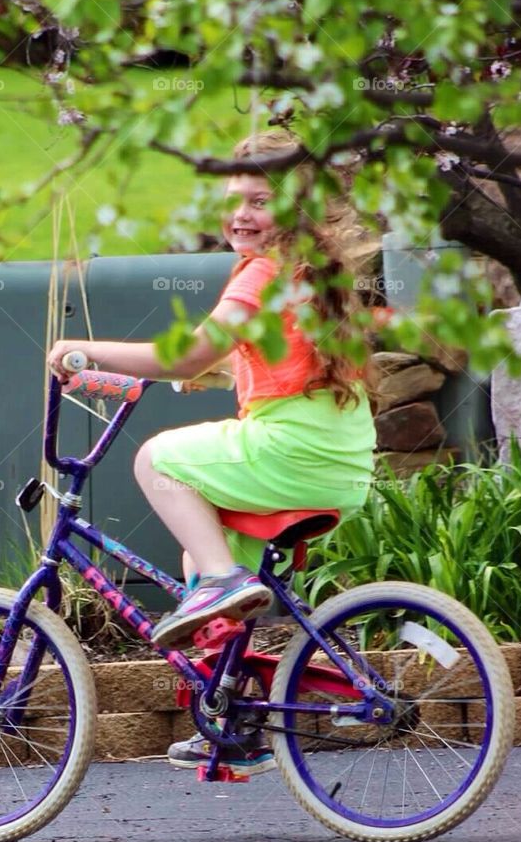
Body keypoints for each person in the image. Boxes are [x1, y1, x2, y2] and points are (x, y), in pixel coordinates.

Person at [47, 128, 376, 777]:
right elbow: (256, 359)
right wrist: (213, 374)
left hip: (293, 447)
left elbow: (191, 349)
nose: (241, 214)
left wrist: (81, 349)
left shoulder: (262, 270)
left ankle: (225, 586)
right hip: (335, 455)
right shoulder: (305, 273)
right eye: (235, 199)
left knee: (157, 460)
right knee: (201, 555)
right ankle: (233, 717)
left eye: (260, 200)